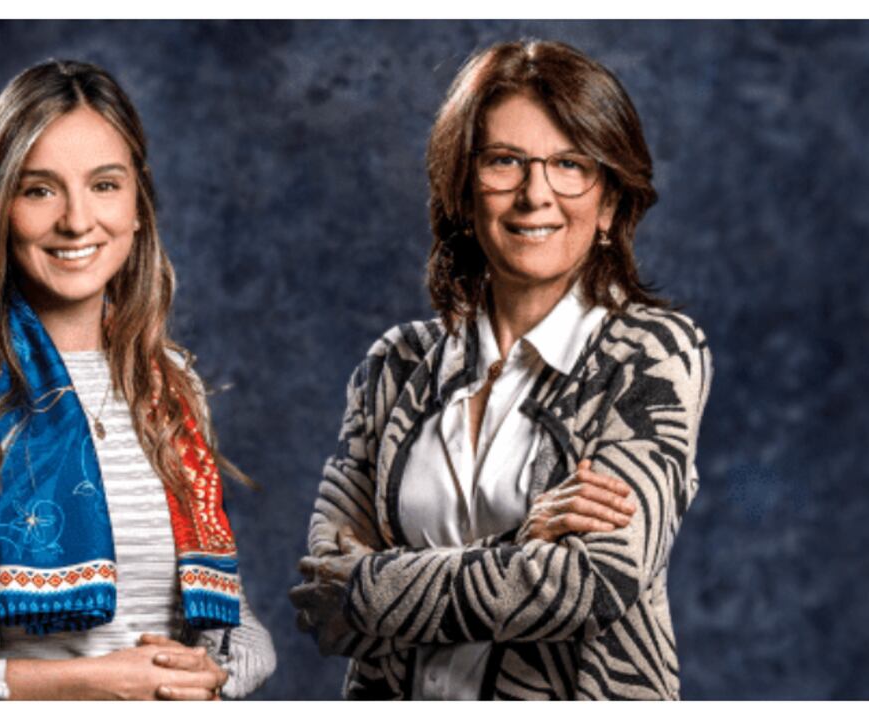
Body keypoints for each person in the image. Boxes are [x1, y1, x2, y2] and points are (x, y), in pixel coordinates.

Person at [0, 59, 275, 700]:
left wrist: (216, 671)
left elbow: (229, 620)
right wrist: (89, 683)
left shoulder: (171, 386)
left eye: (105, 185)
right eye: (39, 190)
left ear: (139, 206)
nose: (77, 221)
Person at [291, 39, 711, 700]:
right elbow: (323, 599)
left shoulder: (651, 352)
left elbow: (589, 587)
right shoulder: (394, 365)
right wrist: (524, 543)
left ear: (608, 204)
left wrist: (376, 586)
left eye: (571, 164)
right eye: (504, 162)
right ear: (462, 188)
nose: (535, 194)